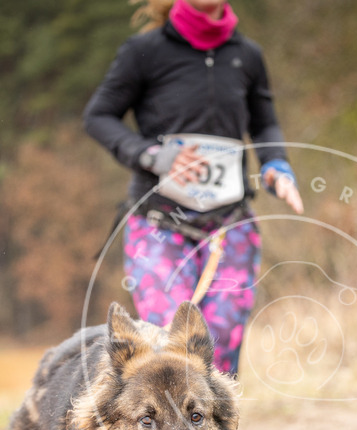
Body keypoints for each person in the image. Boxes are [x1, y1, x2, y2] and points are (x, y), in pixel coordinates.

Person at [83, 0, 303, 375]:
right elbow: (99, 116)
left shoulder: (246, 55)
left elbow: (265, 123)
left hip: (229, 224)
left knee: (219, 340)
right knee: (172, 339)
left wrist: (275, 166)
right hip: (159, 222)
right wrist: (153, 156)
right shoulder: (144, 51)